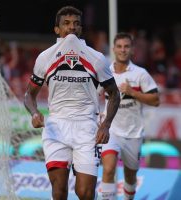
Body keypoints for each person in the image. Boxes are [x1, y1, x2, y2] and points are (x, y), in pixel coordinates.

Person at [24, 6, 120, 200]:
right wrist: (34, 113)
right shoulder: (45, 57)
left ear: (81, 29)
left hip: (86, 128)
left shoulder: (96, 58)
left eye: (76, 24)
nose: (71, 28)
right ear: (57, 30)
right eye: (66, 24)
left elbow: (114, 93)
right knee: (58, 192)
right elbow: (29, 95)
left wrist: (106, 124)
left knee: (84, 193)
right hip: (56, 127)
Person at [100, 32, 160, 200]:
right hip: (111, 131)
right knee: (109, 168)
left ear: (132, 50)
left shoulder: (140, 74)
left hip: (133, 133)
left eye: (126, 46)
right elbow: (93, 94)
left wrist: (133, 92)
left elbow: (155, 100)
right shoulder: (105, 72)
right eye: (119, 46)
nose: (122, 50)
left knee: (130, 177)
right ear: (113, 49)